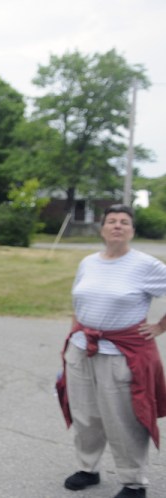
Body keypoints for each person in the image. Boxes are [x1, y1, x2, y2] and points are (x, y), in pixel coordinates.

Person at [56, 204, 166, 498]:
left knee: (123, 419)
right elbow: (78, 305)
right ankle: (88, 469)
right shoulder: (88, 262)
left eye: (124, 222)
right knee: (85, 415)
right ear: (102, 228)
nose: (117, 225)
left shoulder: (145, 265)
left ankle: (133, 481)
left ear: (132, 230)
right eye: (112, 221)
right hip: (82, 349)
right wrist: (70, 343)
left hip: (121, 353)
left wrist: (161, 326)